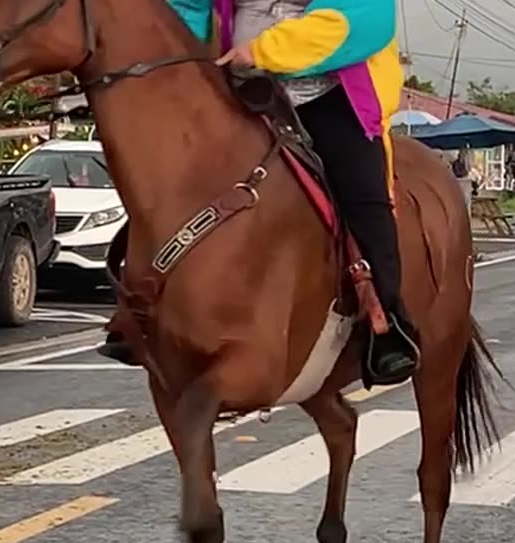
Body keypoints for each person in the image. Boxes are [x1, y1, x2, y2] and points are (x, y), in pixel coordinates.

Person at [99, 0, 419, 385]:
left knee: (363, 195)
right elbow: (187, 8)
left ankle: (386, 325)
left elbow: (367, 19)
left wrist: (263, 51)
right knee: (173, 179)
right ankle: (141, 307)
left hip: (327, 94)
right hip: (238, 88)